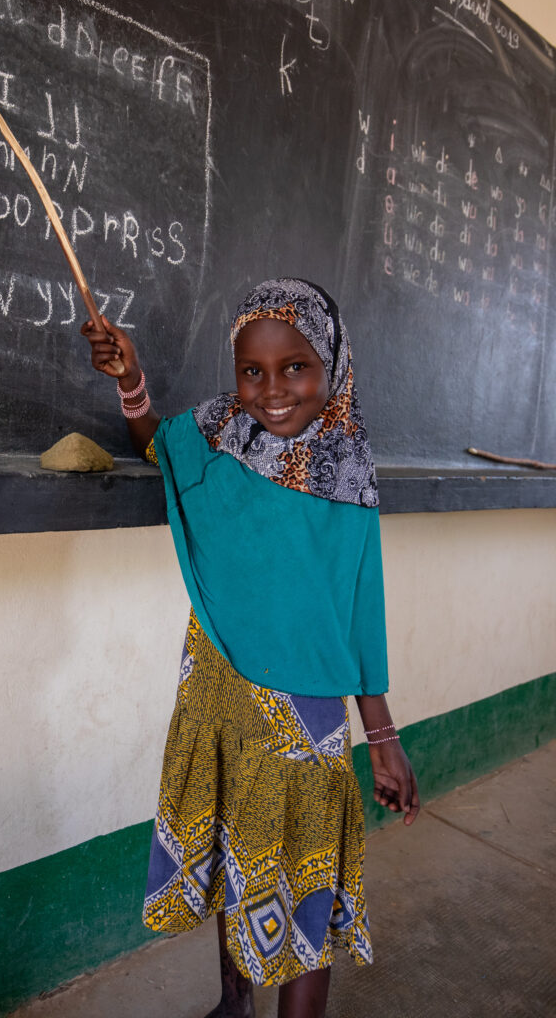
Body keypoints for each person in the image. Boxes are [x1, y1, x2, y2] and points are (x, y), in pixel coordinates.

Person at [81, 277, 420, 1018]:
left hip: (302, 714)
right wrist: (132, 382)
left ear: (330, 364)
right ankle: (233, 999)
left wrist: (383, 734)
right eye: (252, 371)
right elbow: (153, 443)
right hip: (216, 685)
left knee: (306, 884)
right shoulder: (215, 433)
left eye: (294, 367)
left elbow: (358, 610)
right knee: (236, 852)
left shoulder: (349, 469)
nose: (271, 391)